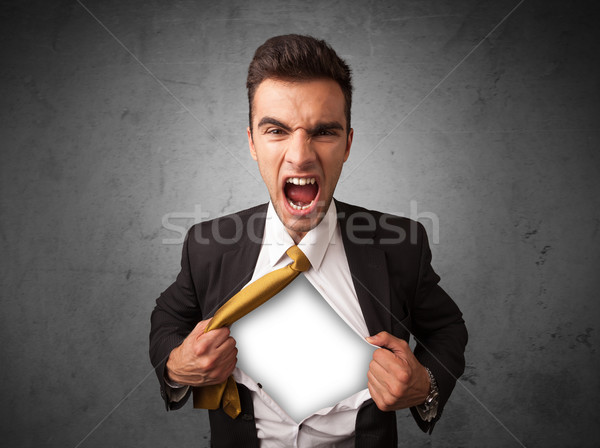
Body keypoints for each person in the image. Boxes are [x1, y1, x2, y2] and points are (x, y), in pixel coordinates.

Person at [149, 34, 467, 447]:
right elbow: (167, 320)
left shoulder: (400, 245)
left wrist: (425, 385)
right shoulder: (207, 245)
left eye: (323, 132)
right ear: (252, 143)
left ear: (348, 144)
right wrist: (177, 366)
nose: (300, 156)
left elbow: (446, 328)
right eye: (277, 130)